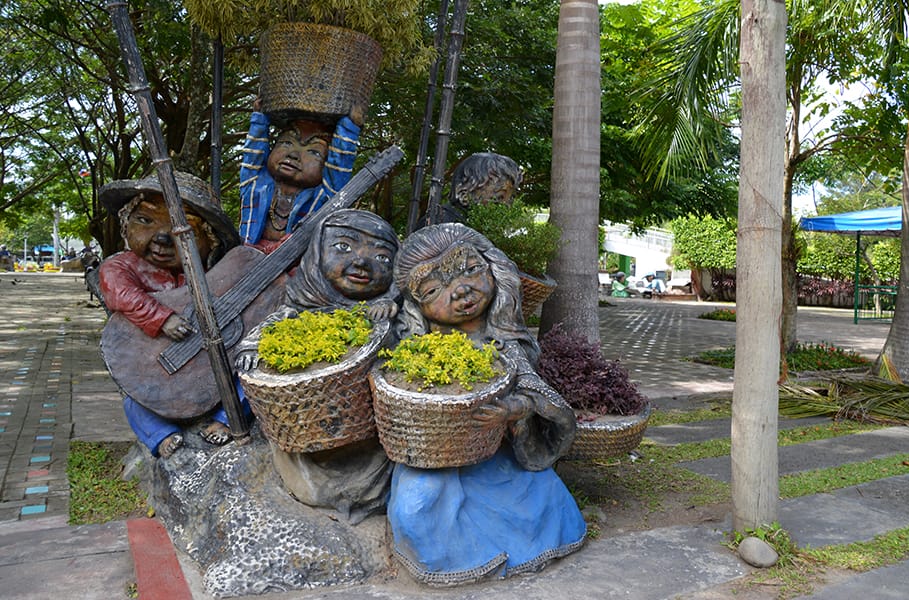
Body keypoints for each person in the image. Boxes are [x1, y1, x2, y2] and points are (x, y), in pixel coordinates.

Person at [386, 222, 586, 585]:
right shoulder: (414, 350)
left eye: (471, 269)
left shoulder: (506, 342)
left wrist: (516, 411)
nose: (461, 290)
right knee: (417, 505)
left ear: (495, 268)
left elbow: (538, 396)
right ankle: (454, 560)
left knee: (540, 501)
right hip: (437, 458)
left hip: (501, 455)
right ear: (416, 306)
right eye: (435, 289)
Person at [234, 209, 400, 522]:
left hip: (367, 436)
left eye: (382, 257)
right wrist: (254, 346)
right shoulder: (300, 301)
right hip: (306, 427)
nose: (362, 262)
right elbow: (273, 325)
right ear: (316, 252)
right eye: (343, 248)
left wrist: (387, 316)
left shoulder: (388, 313)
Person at [97, 172, 249, 458]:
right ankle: (161, 435)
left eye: (184, 228)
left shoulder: (210, 274)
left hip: (203, 368)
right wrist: (161, 318)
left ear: (211, 239)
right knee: (135, 401)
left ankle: (225, 419)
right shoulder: (122, 266)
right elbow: (119, 293)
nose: (164, 236)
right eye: (146, 220)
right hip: (152, 367)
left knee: (248, 379)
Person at [238, 98, 364, 254]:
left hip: (295, 264)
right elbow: (253, 154)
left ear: (326, 165)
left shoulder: (323, 197)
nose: (293, 155)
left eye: (313, 152)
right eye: (286, 143)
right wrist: (259, 118)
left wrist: (349, 127)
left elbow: (340, 163)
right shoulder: (255, 184)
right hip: (248, 255)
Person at [422, 152, 523, 226]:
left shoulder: (479, 228)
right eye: (497, 199)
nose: (506, 207)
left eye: (511, 199)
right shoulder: (440, 224)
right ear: (464, 194)